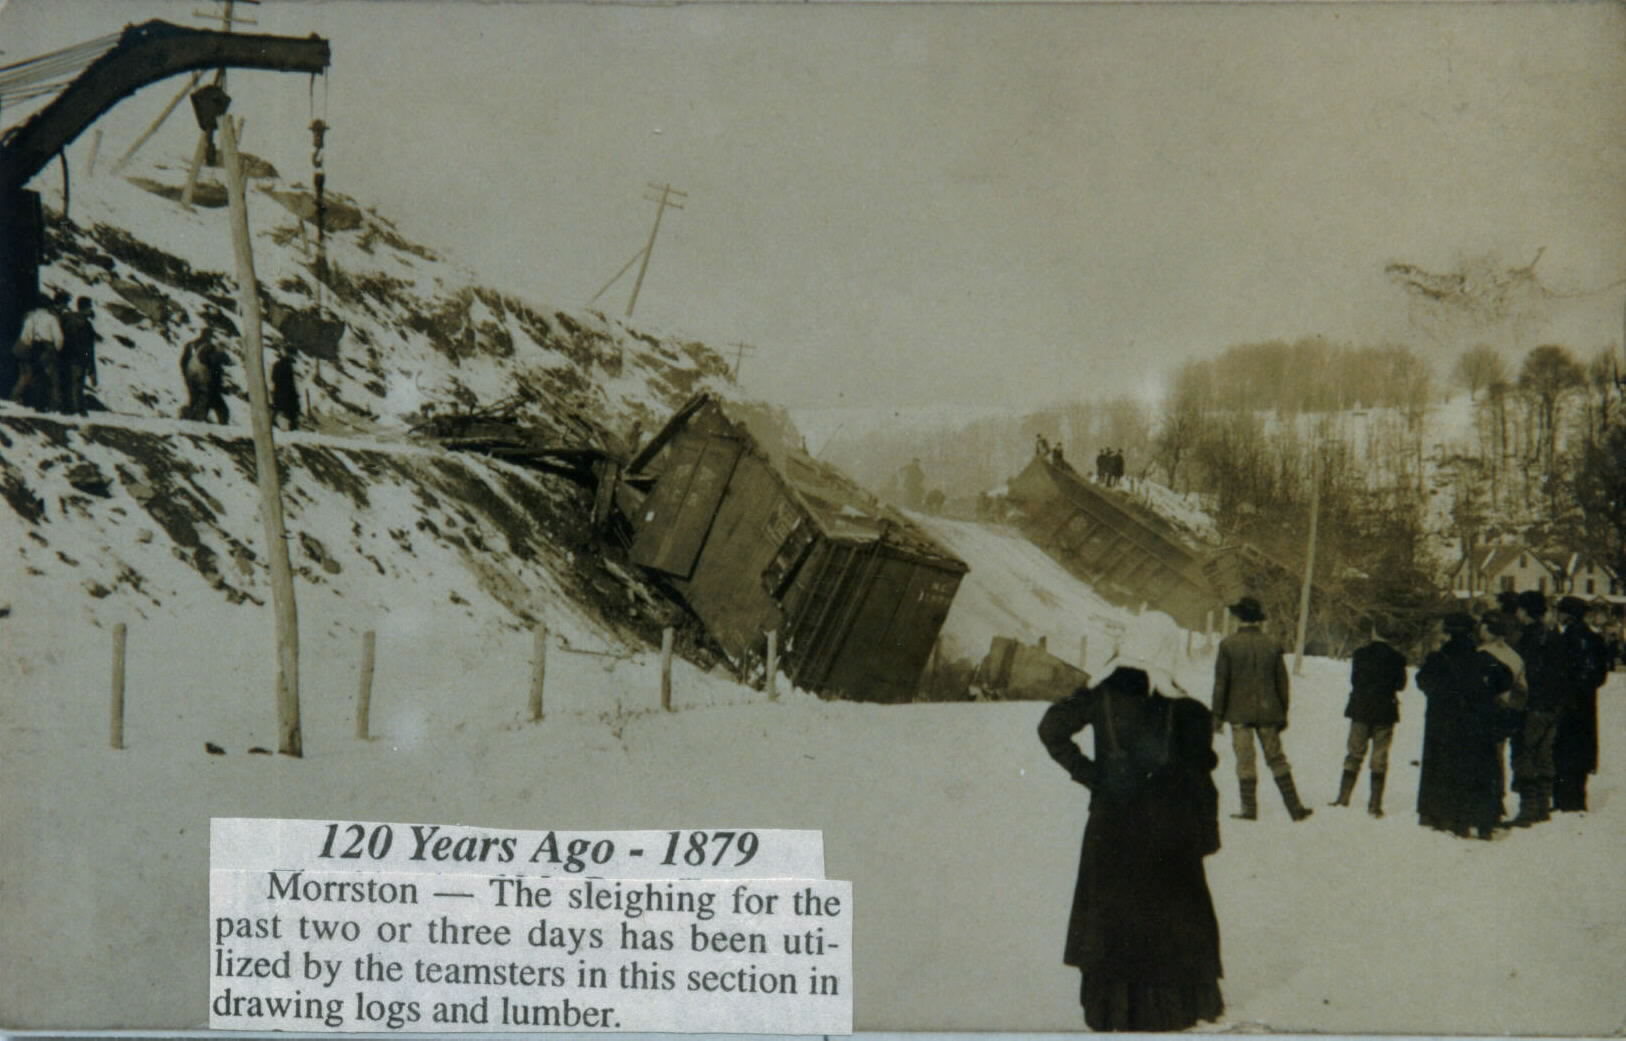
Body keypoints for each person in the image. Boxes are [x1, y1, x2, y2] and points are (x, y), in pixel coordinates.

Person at [1039, 651, 1224, 1033]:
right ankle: (1169, 1008)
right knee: (1169, 916)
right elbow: (1200, 774)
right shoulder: (1183, 706)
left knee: (1112, 917)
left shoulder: (1102, 695)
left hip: (1112, 823)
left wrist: (1091, 774)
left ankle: (1111, 1009)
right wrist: (1204, 834)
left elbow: (1051, 728)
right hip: (1167, 828)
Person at [1211, 596, 1313, 821]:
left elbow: (1221, 685)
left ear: (1238, 618)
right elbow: (1282, 684)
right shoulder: (1272, 644)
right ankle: (1295, 808)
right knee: (1277, 759)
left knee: (1245, 760)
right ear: (1258, 619)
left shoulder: (1228, 645)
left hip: (1238, 713)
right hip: (1268, 712)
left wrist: (1216, 716)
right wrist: (1283, 713)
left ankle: (1249, 809)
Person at [1415, 612, 1511, 839]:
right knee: (1478, 770)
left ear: (1448, 634)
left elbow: (1422, 682)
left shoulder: (1437, 660)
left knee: (1445, 770)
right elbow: (1505, 680)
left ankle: (1448, 818)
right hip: (1477, 725)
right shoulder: (1484, 659)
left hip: (1444, 727)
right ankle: (1483, 819)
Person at [1331, 620, 1408, 817]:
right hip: (1385, 712)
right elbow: (1400, 685)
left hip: (1361, 709)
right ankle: (1374, 805)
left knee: (1354, 753)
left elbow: (1355, 680)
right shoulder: (1398, 658)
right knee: (1379, 758)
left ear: (1374, 632)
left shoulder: (1360, 654)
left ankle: (1343, 798)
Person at [1510, 591, 1561, 825]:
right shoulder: (1552, 635)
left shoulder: (1528, 638)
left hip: (1531, 705)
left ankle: (1528, 809)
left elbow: (1525, 673)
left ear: (1525, 610)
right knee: (1543, 755)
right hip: (1551, 705)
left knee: (1524, 754)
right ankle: (1543, 806)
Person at [1552, 595, 1607, 812]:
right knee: (1581, 750)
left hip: (1566, 702)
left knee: (1563, 750)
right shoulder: (1595, 639)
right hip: (1586, 703)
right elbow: (1600, 676)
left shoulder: (1564, 639)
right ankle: (1577, 798)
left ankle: (1563, 800)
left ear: (1567, 615)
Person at [9, 293, 63, 409]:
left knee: (35, 376)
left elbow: (25, 336)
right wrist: (57, 349)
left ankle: (33, 401)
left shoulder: (30, 318)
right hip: (48, 347)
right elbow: (59, 337)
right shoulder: (51, 318)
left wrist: (30, 347)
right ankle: (54, 404)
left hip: (35, 347)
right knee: (52, 377)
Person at [57, 296, 99, 416]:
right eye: (90, 307)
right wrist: (90, 367)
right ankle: (76, 411)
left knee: (67, 384)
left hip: (64, 356)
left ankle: (68, 409)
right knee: (77, 386)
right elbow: (87, 348)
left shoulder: (65, 319)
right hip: (79, 359)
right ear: (86, 308)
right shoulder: (85, 324)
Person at [180, 332, 230, 424]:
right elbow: (209, 372)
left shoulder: (205, 350)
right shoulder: (209, 353)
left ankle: (191, 417)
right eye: (222, 347)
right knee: (208, 403)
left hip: (194, 378)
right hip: (201, 380)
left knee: (198, 401)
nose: (223, 349)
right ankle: (196, 419)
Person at [270, 350, 300, 431]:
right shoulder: (288, 366)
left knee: (278, 408)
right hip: (287, 392)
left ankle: (272, 423)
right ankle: (293, 428)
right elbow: (290, 382)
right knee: (292, 410)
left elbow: (273, 378)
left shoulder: (276, 365)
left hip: (278, 391)